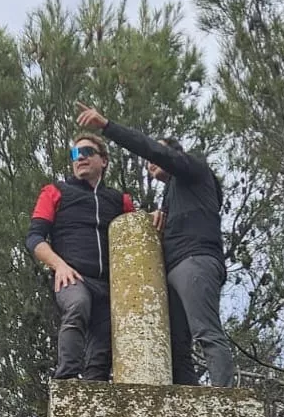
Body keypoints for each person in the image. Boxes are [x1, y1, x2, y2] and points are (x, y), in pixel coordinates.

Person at [76, 103, 234, 388]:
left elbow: (154, 151)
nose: (151, 162)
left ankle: (224, 399)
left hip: (195, 261)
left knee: (206, 332)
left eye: (159, 154)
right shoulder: (173, 196)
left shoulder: (194, 170)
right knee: (176, 347)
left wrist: (107, 126)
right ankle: (190, 404)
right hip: (173, 270)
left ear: (176, 155)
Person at [25, 134, 134, 382]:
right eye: (75, 154)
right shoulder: (55, 191)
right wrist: (59, 265)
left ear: (104, 161)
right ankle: (66, 380)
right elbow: (34, 238)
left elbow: (136, 236)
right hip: (72, 275)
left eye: (87, 151)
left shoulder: (120, 200)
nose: (80, 157)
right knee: (78, 305)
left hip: (109, 283)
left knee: (104, 342)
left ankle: (94, 392)